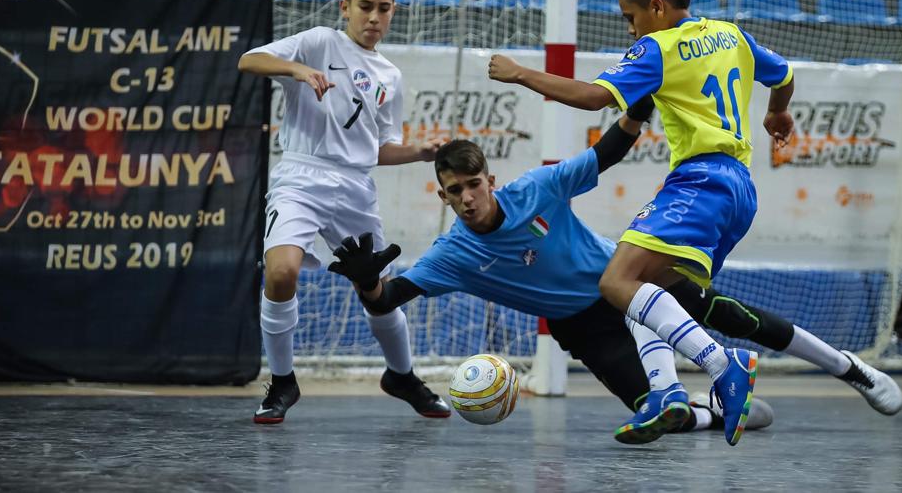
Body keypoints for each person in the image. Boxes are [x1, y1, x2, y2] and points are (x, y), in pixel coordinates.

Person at [487, 0, 902, 445]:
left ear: (657, 7)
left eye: (630, 16)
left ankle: (723, 366)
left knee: (618, 280)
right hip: (739, 190)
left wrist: (518, 74)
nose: (630, 28)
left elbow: (591, 97)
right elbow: (784, 74)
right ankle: (666, 391)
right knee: (647, 294)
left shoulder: (658, 47)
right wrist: (778, 113)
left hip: (699, 182)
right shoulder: (732, 35)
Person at [328, 104, 780, 445]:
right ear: (443, 198)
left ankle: (830, 365)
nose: (467, 197)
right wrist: (365, 281)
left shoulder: (536, 188)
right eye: (455, 191)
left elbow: (602, 155)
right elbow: (385, 300)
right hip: (582, 328)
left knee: (729, 315)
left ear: (490, 179)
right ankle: (717, 415)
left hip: (622, 282)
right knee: (653, 412)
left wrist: (637, 113)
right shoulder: (452, 255)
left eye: (473, 185)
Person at [237, 0, 450, 424]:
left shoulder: (390, 76)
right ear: (345, 7)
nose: (374, 17)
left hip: (354, 188)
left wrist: (418, 153)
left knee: (376, 290)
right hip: (300, 176)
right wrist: (295, 70)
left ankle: (401, 376)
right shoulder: (318, 42)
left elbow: (375, 149)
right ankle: (282, 382)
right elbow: (247, 60)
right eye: (365, 7)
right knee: (282, 272)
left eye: (384, 9)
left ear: (394, 12)